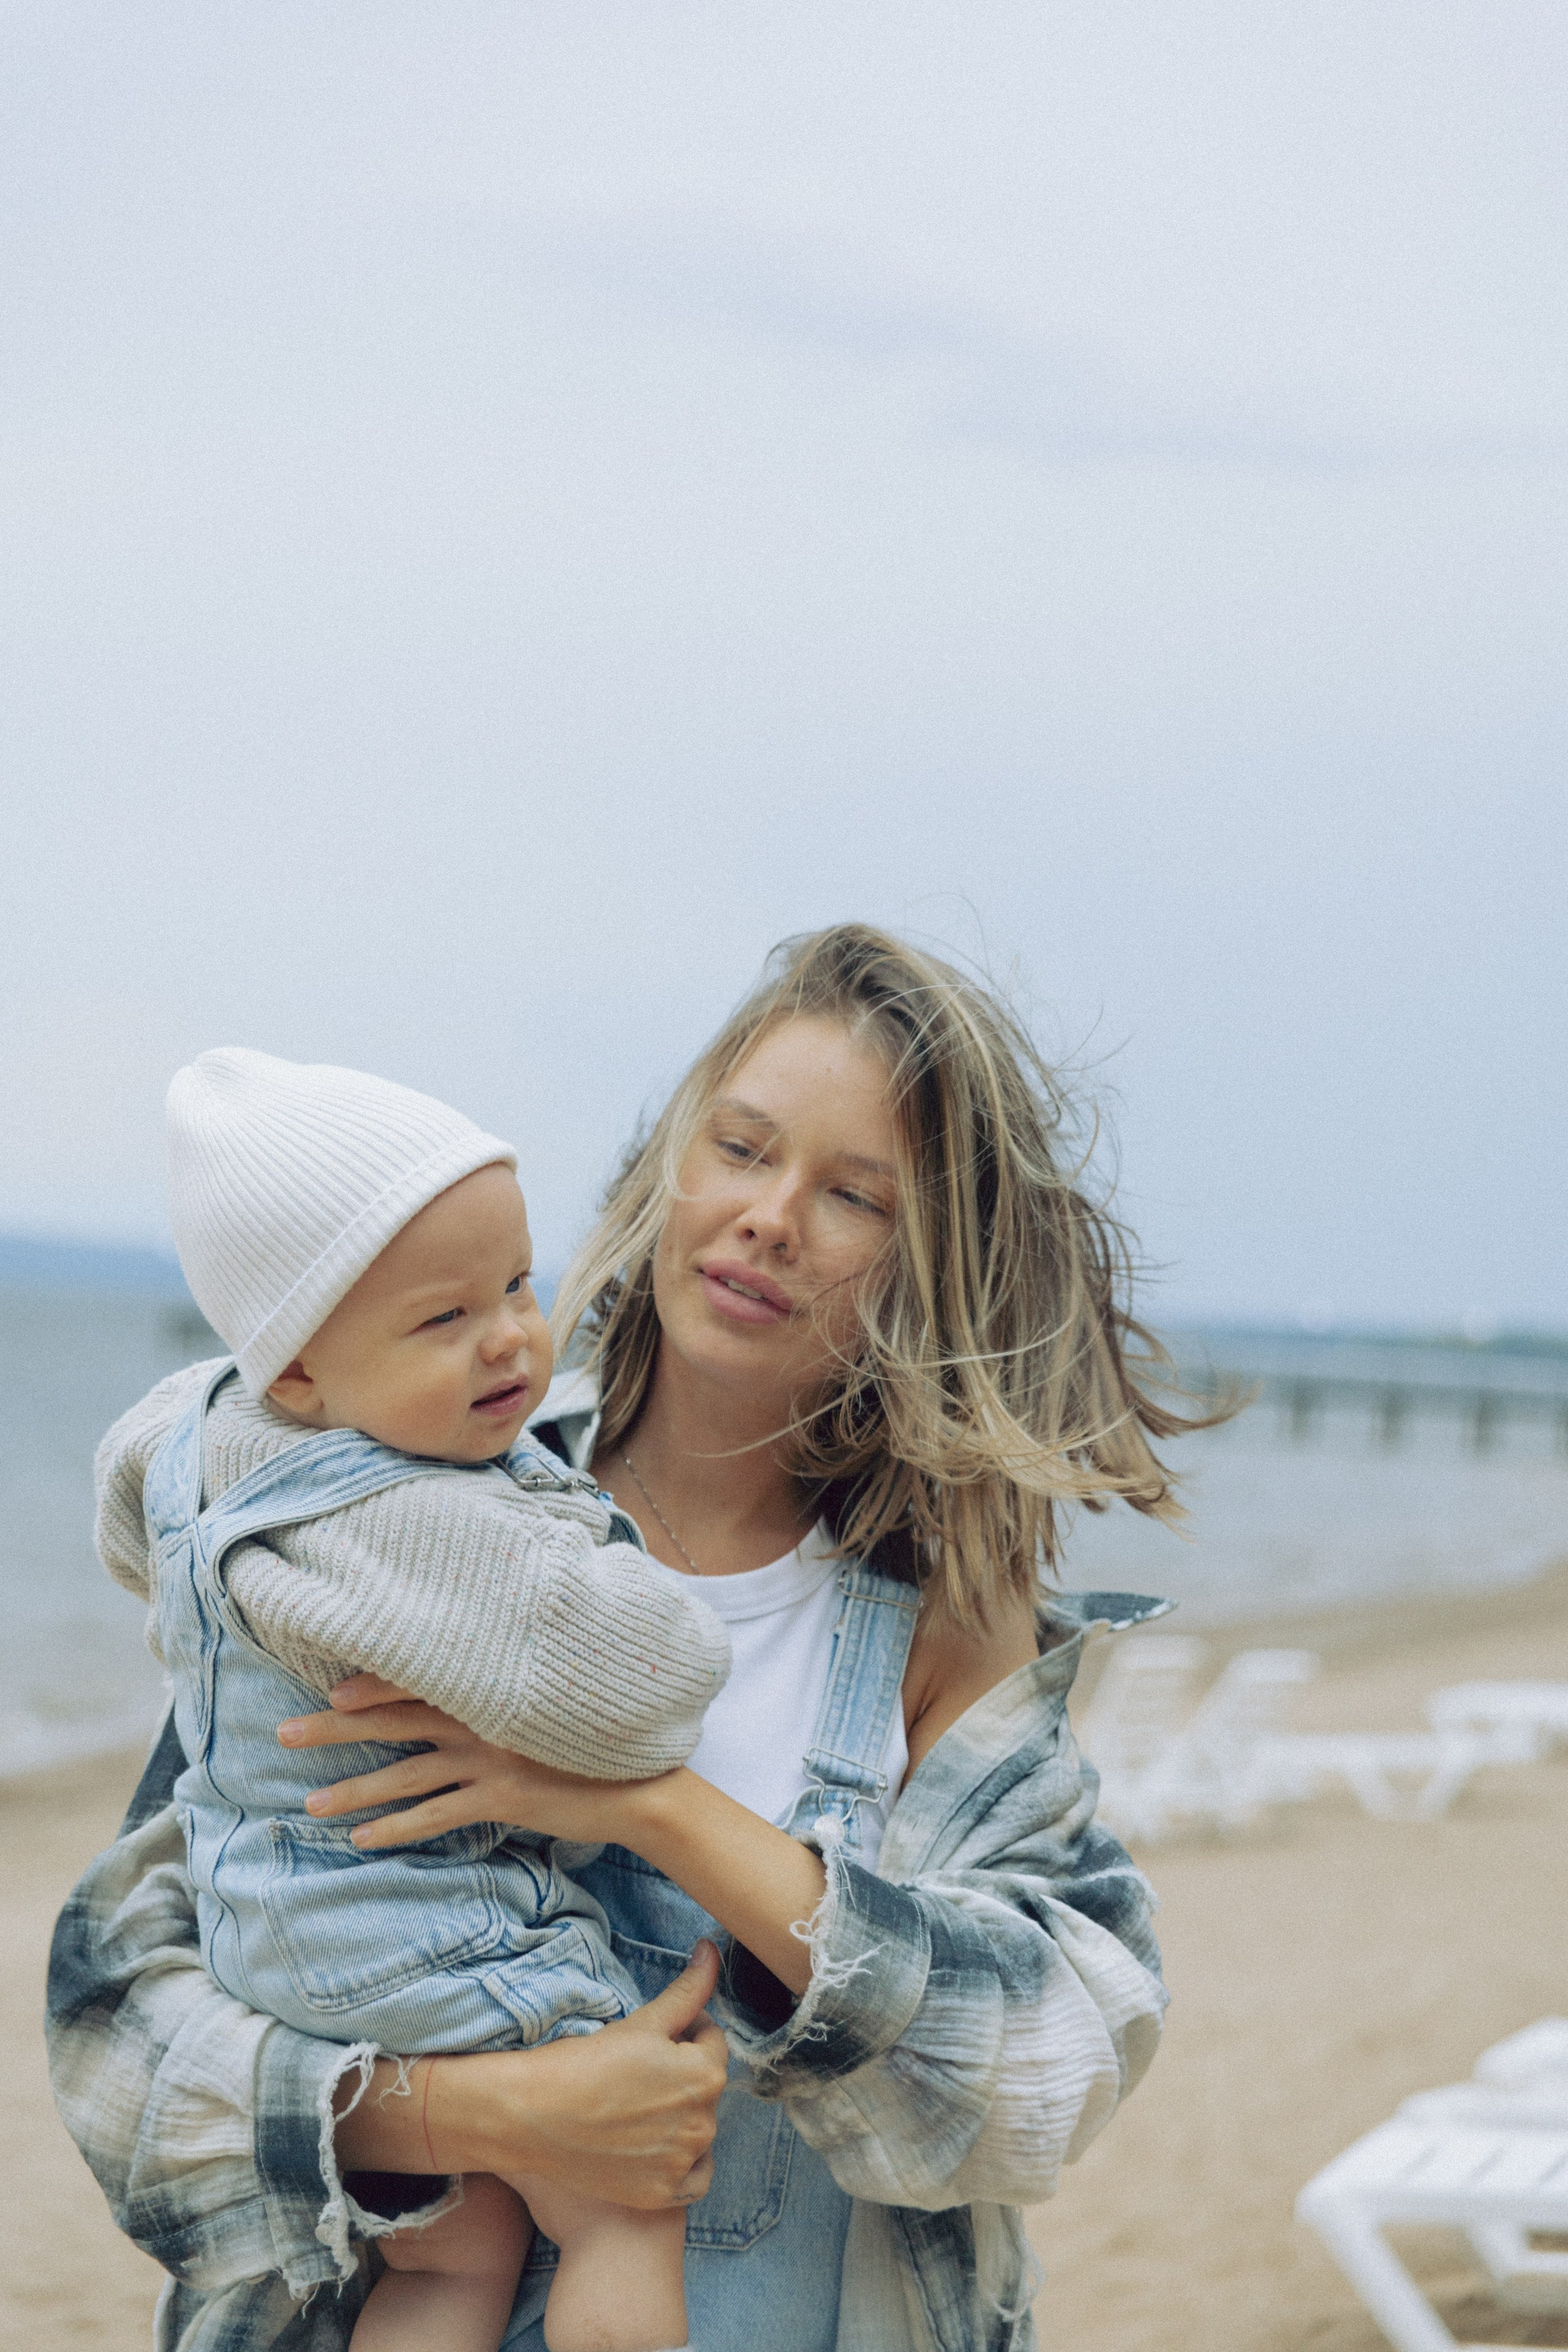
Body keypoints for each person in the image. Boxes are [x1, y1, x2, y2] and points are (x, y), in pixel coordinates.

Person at [50, 922, 1205, 2352]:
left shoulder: (943, 1620)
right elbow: (117, 2025)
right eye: (740, 1147)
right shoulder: (381, 1517)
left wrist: (649, 1807)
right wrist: (482, 2116)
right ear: (673, 1157)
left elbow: (1040, 2074)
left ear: (933, 1265)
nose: (769, 1217)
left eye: (853, 1195)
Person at [94, 1049, 735, 2352]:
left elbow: (126, 1526)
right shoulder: (415, 1522)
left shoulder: (186, 1426)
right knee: (623, 2202)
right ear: (298, 1377)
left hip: (265, 1937)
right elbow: (650, 1693)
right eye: (444, 1320)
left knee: (454, 2257)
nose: (510, 1338)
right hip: (426, 1932)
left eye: (517, 1284)